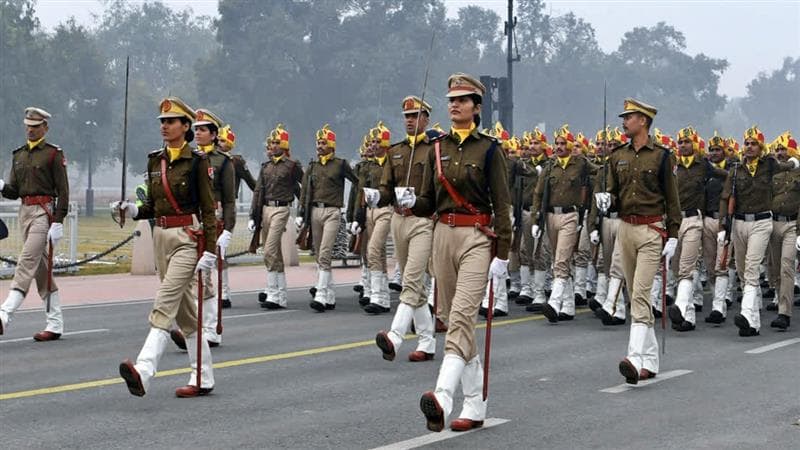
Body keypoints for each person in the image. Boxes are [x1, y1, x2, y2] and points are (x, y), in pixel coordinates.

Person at [407, 73, 512, 432]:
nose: (455, 105)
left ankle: (442, 397)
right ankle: (475, 404)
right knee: (454, 320)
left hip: (477, 237)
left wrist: (503, 253)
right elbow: (426, 201)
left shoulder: (490, 149)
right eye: (451, 99)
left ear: (477, 107)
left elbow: (502, 203)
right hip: (442, 235)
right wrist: (406, 201)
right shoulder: (436, 147)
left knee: (464, 316)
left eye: (463, 100)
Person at [113, 97, 218, 397]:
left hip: (187, 238)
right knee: (186, 315)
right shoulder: (154, 160)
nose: (165, 126)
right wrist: (133, 210)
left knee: (165, 299)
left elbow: (208, 210)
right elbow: (152, 206)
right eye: (162, 122)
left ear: (185, 127)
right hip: (161, 236)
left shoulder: (198, 162)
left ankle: (144, 372)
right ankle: (203, 377)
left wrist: (209, 251)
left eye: (171, 122)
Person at [595, 98, 681, 384]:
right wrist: (607, 199)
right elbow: (614, 191)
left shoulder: (661, 156)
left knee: (642, 294)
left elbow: (672, 198)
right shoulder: (617, 155)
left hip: (651, 230)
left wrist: (674, 234)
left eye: (629, 117)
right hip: (625, 228)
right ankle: (651, 360)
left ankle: (633, 357)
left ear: (643, 120)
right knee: (634, 296)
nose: (624, 121)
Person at [371, 95, 437, 362]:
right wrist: (377, 197)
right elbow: (387, 188)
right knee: (417, 288)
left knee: (410, 279)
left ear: (426, 119)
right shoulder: (395, 151)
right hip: (399, 219)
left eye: (415, 115)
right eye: (407, 116)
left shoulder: (434, 150)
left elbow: (436, 190)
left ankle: (395, 336)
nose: (410, 120)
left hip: (422, 220)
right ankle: (427, 341)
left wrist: (422, 205)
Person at [720, 126, 799, 336]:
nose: (749, 147)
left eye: (754, 143)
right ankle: (754, 318)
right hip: (759, 223)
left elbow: (788, 167)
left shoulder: (771, 166)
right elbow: (727, 196)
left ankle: (781, 313)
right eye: (746, 143)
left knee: (783, 267)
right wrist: (724, 226)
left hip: (783, 224)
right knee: (760, 270)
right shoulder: (737, 169)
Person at [0, 107, 69, 341]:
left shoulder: (52, 154)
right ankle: (55, 323)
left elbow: (64, 191)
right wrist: (1, 186)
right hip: (25, 211)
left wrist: (58, 221)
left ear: (45, 128)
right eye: (28, 126)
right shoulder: (18, 155)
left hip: (44, 212)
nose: (30, 130)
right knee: (41, 270)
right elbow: (13, 191)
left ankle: (4, 314)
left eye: (36, 126)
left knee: (26, 260)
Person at [531, 125, 596, 323]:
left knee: (561, 259)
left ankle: (554, 302)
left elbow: (601, 173)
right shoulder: (550, 166)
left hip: (570, 216)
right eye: (556, 143)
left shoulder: (581, 163)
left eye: (562, 143)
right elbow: (538, 193)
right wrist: (536, 219)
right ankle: (568, 306)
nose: (559, 147)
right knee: (557, 260)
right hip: (551, 216)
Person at [666, 127, 728, 332]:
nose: (683, 145)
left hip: (695, 219)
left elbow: (727, 176)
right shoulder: (671, 163)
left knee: (687, 267)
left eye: (686, 142)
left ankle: (682, 308)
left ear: (694, 144)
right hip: (675, 221)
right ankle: (688, 317)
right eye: (680, 142)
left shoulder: (703, 165)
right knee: (675, 269)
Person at [298, 124, 358, 312]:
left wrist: (358, 209)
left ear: (332, 145)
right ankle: (330, 293)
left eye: (323, 143)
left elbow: (358, 182)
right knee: (319, 254)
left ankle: (321, 294)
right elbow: (305, 191)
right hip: (315, 211)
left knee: (325, 252)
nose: (319, 146)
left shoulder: (340, 164)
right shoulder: (312, 166)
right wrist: (301, 214)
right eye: (318, 143)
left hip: (333, 212)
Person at [249, 124, 303, 309]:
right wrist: (252, 216)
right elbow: (258, 192)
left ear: (284, 145)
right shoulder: (265, 167)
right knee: (273, 252)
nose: (272, 145)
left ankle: (273, 292)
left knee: (270, 249)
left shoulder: (292, 166)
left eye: (276, 142)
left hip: (282, 208)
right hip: (265, 209)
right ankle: (279, 294)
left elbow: (301, 188)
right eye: (271, 142)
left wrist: (301, 213)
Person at [588, 127, 629, 326]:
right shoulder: (603, 170)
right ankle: (614, 306)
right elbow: (596, 198)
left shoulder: (628, 166)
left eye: (615, 145)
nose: (611, 148)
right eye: (609, 145)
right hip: (606, 220)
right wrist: (593, 226)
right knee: (607, 264)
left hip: (623, 220)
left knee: (618, 265)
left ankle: (617, 308)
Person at [355, 122, 394, 314]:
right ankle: (381, 295)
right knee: (377, 253)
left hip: (386, 209)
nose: (375, 144)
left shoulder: (392, 162)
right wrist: (357, 216)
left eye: (379, 141)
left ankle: (378, 295)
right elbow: (360, 192)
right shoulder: (368, 166)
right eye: (374, 141)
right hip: (370, 211)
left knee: (373, 249)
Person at [218, 124, 256, 308]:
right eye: (218, 139)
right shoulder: (207, 158)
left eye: (223, 140)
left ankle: (224, 292)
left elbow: (252, 184)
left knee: (220, 251)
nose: (219, 142)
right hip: (207, 206)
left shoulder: (236, 162)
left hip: (226, 206)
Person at [766, 132, 799, 330]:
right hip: (773, 223)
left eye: (784, 149)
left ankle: (784, 313)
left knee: (787, 266)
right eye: (777, 149)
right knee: (775, 267)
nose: (780, 153)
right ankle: (779, 297)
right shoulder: (771, 172)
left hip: (793, 224)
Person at [702, 132, 736, 324]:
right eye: (711, 150)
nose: (714, 153)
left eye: (717, 150)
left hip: (725, 222)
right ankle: (718, 303)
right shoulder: (705, 172)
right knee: (709, 265)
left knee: (722, 264)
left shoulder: (733, 169)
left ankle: (718, 306)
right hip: (707, 220)